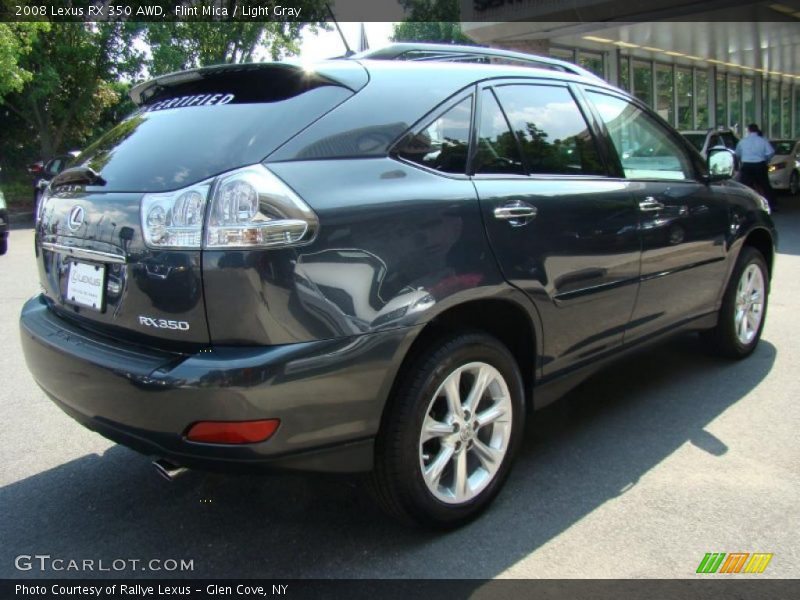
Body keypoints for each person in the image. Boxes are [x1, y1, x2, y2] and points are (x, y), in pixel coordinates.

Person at [735, 123, 777, 211]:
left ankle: (744, 205)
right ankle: (772, 205)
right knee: (765, 185)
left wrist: (743, 159)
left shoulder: (743, 141)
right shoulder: (762, 140)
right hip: (760, 165)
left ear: (749, 130)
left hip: (747, 165)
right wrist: (766, 159)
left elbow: (737, 153)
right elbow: (771, 152)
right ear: (757, 130)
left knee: (745, 186)